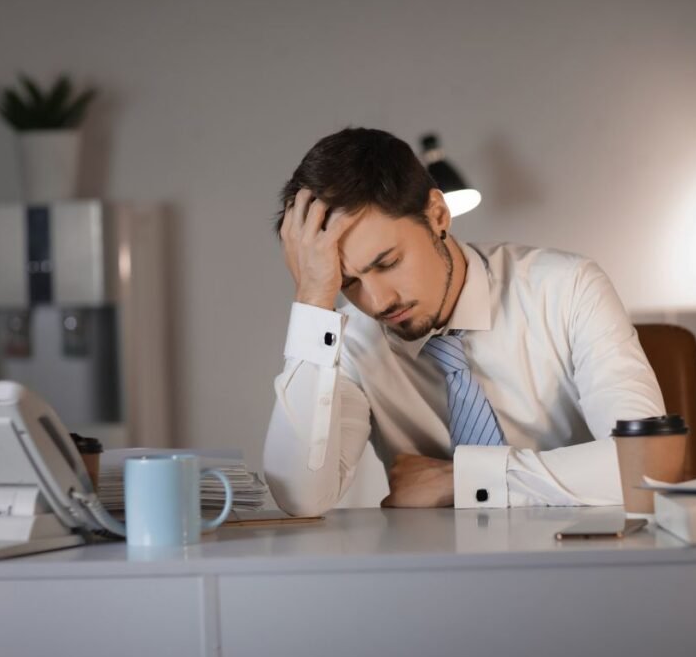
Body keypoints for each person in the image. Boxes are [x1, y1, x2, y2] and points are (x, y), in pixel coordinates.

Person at [263, 127, 665, 517]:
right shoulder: (351, 343)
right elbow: (301, 497)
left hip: (585, 565)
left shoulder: (567, 289)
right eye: (348, 282)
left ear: (438, 214)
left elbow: (647, 465)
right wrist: (312, 300)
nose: (379, 301)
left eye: (388, 263)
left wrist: (464, 480)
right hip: (439, 579)